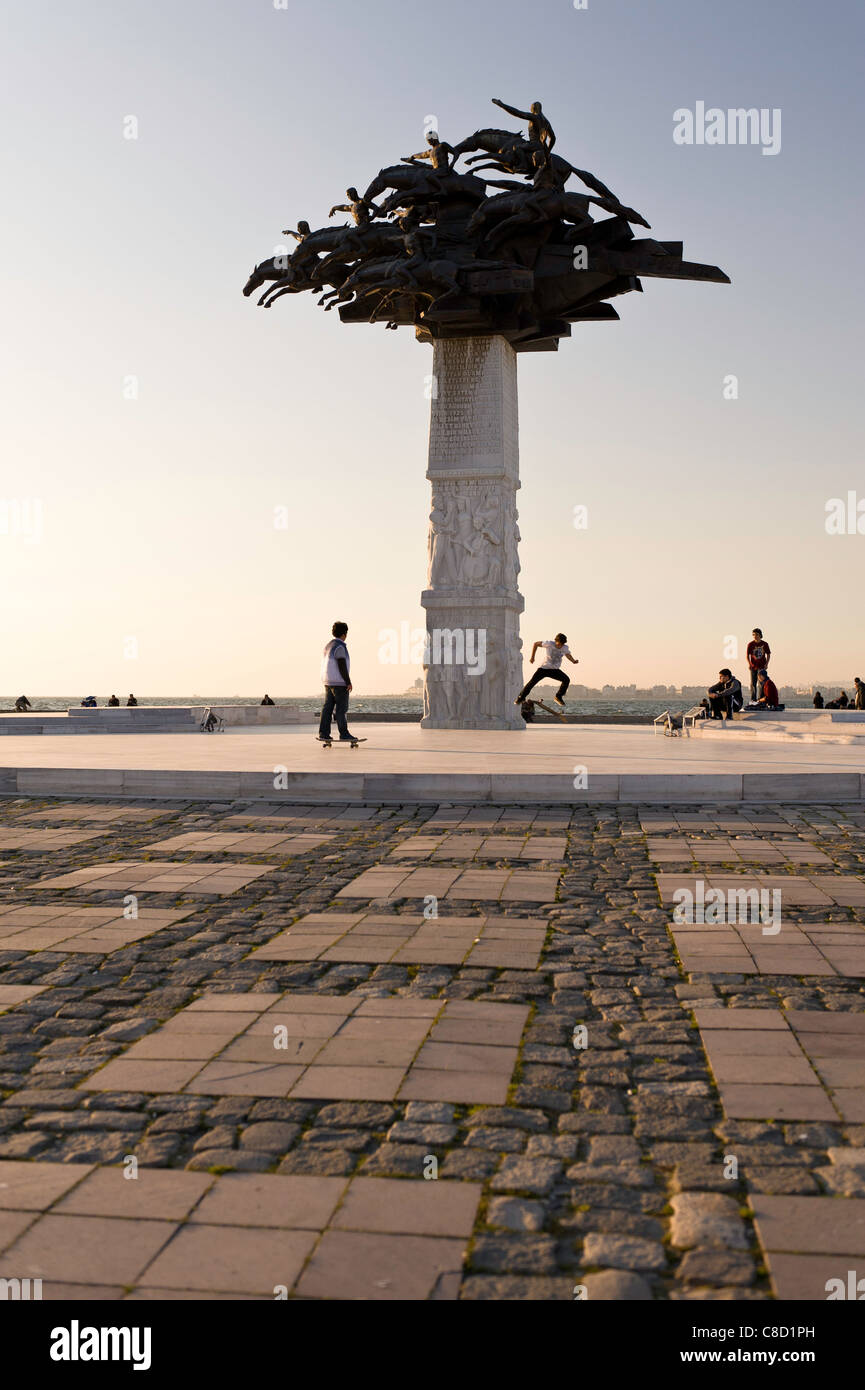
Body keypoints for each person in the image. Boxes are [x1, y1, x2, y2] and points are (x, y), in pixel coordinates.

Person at [515, 634, 579, 707]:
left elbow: (568, 655)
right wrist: (532, 657)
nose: (560, 646)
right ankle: (520, 698)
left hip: (554, 670)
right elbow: (535, 644)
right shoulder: (549, 643)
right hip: (543, 669)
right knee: (532, 682)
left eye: (562, 644)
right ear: (556, 641)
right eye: (559, 644)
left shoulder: (565, 648)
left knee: (566, 680)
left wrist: (573, 661)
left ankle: (558, 697)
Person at [319, 621, 357, 742]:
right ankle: (344, 733)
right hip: (339, 683)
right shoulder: (340, 646)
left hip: (327, 681)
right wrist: (348, 681)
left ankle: (323, 733)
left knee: (327, 709)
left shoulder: (328, 645)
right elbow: (341, 665)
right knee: (341, 709)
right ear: (344, 633)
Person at [746, 628, 771, 701]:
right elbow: (747, 655)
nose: (755, 636)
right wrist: (749, 663)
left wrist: (766, 664)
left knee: (761, 683)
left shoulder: (765, 644)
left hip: (762, 666)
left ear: (760, 635)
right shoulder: (750, 644)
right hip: (753, 667)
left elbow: (768, 654)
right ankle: (753, 700)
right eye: (753, 635)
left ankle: (760, 699)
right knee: (753, 684)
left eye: (756, 634)